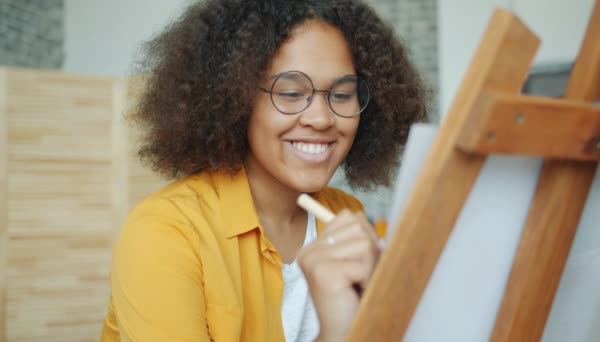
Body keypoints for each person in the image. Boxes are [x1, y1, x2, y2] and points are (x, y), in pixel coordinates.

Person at [100, 0, 426, 341]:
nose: (321, 118)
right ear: (235, 100)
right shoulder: (165, 233)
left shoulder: (345, 216)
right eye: (290, 92)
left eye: (342, 94)